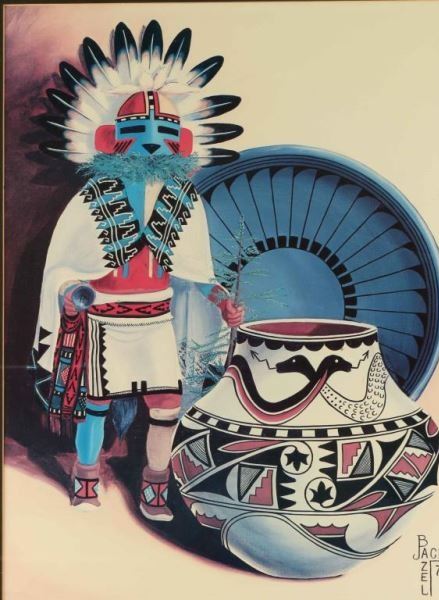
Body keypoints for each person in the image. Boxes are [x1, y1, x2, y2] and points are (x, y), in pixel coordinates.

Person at [33, 22, 244, 520]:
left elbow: (196, 269)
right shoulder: (91, 198)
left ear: (181, 142)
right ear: (112, 138)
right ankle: (86, 476)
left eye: (164, 134)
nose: (151, 145)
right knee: (95, 404)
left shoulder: (184, 199)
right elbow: (63, 262)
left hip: (155, 322)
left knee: (167, 405)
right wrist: (71, 291)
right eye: (137, 133)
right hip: (104, 321)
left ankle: (154, 487)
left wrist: (222, 301)